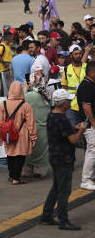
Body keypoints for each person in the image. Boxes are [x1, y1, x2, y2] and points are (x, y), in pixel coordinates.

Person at [40, 89, 88, 230]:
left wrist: (73, 127)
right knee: (64, 191)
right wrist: (81, 130)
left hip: (54, 157)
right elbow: (73, 140)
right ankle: (63, 221)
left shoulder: (52, 115)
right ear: (64, 103)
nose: (70, 103)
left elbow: (61, 130)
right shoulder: (62, 118)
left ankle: (47, 214)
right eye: (68, 101)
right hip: (64, 159)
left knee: (56, 187)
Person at [0, 81, 37, 185]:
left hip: (7, 133)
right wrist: (33, 137)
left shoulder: (3, 105)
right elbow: (31, 123)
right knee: (20, 155)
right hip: (21, 133)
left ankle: (11, 176)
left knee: (10, 154)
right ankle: (16, 178)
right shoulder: (25, 105)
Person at [21, 70, 51, 180]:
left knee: (29, 151)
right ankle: (41, 172)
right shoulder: (48, 95)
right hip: (44, 128)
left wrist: (25, 89)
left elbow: (20, 102)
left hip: (31, 128)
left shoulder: (29, 95)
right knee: (43, 152)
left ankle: (25, 171)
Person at [77, 62, 95, 191]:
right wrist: (94, 125)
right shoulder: (86, 86)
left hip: (91, 124)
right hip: (90, 125)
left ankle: (91, 177)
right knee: (92, 151)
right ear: (91, 73)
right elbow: (86, 107)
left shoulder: (91, 85)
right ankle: (86, 180)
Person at [61, 45, 87, 129]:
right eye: (76, 54)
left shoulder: (87, 67)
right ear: (71, 55)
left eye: (79, 53)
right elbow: (64, 87)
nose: (78, 56)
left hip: (85, 105)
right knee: (73, 131)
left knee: (87, 132)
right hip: (71, 106)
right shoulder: (66, 69)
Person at [0, 31, 14, 97]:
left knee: (7, 87)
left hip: (7, 70)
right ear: (9, 38)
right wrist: (4, 63)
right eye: (12, 37)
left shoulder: (8, 45)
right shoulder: (2, 46)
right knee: (4, 88)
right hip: (3, 70)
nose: (13, 38)